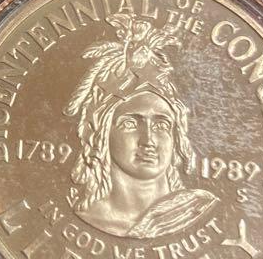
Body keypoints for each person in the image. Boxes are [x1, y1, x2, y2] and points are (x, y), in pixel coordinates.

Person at [65, 16, 216, 239]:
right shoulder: (88, 217)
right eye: (130, 124)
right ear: (101, 134)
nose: (149, 140)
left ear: (176, 136)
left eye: (161, 125)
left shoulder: (196, 208)